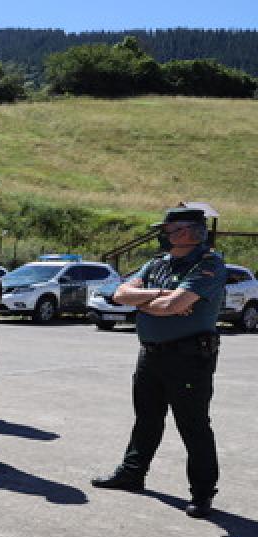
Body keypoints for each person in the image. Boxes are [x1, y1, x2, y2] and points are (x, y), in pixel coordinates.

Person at [91, 207, 227, 518]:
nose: (162, 236)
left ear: (191, 232)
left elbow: (172, 306)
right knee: (146, 418)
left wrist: (152, 302)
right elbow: (121, 294)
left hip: (189, 358)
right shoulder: (157, 264)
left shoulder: (209, 265)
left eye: (168, 230)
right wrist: (162, 297)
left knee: (193, 425)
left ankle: (203, 492)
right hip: (151, 353)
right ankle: (132, 473)